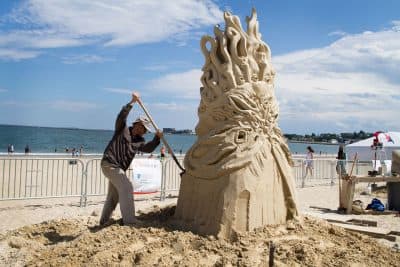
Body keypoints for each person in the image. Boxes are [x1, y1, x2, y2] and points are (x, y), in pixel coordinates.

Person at [100, 92, 162, 226]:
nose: (144, 131)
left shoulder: (139, 142)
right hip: (109, 164)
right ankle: (130, 221)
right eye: (143, 128)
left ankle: (103, 221)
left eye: (145, 130)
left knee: (114, 196)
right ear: (137, 124)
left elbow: (148, 149)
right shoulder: (122, 129)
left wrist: (157, 138)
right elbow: (121, 116)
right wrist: (132, 102)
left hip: (118, 169)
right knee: (127, 187)